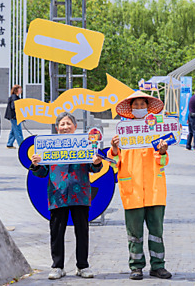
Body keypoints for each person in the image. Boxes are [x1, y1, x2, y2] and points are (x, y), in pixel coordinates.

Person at [30, 112, 103, 280]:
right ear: (57, 128)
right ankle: (57, 266)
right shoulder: (48, 147)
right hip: (58, 194)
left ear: (75, 127)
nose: (65, 127)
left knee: (82, 231)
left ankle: (82, 266)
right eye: (62, 124)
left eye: (68, 124)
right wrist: (36, 164)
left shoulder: (85, 144)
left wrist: (96, 162)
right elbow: (42, 172)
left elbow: (93, 168)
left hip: (80, 194)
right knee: (56, 232)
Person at [110, 91, 172, 280]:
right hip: (132, 191)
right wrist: (114, 149)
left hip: (155, 190)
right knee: (134, 233)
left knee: (156, 232)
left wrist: (162, 151)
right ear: (130, 109)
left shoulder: (156, 132)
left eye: (142, 105)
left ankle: (158, 266)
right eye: (135, 105)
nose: (139, 108)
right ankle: (136, 266)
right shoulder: (123, 133)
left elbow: (163, 162)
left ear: (147, 108)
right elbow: (114, 164)